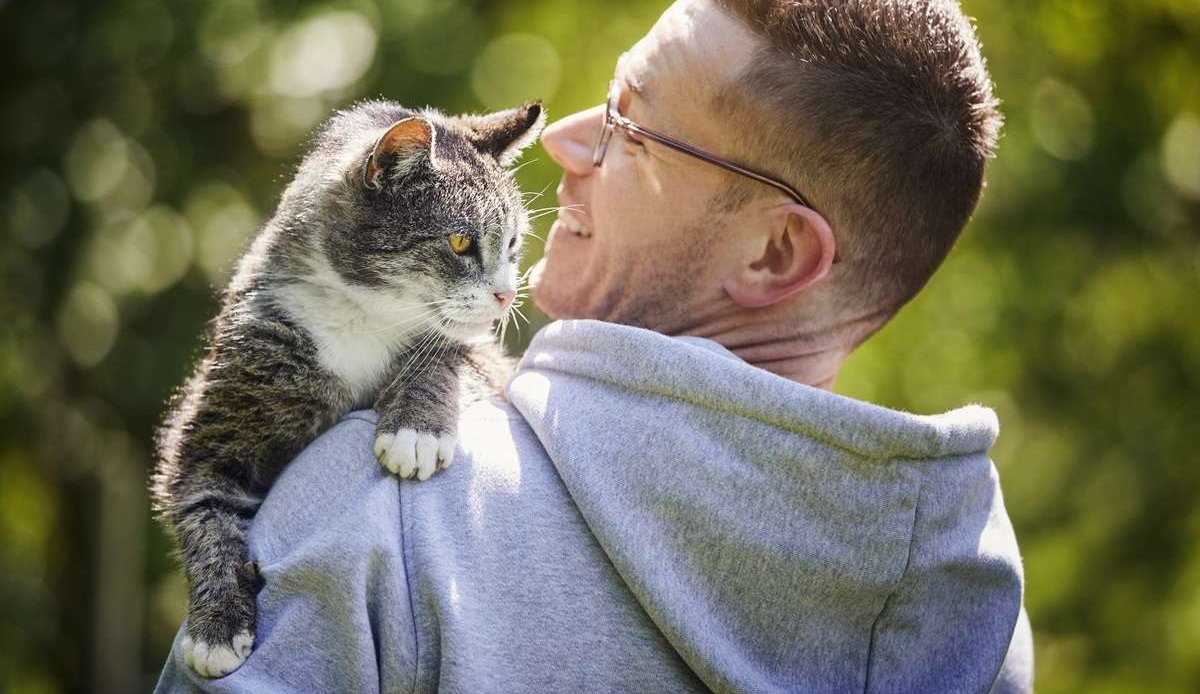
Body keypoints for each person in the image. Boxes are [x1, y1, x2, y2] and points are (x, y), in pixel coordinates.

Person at [157, 0, 1033, 691]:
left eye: (629, 127)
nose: (563, 141)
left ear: (775, 253)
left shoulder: (376, 519)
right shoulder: (979, 619)